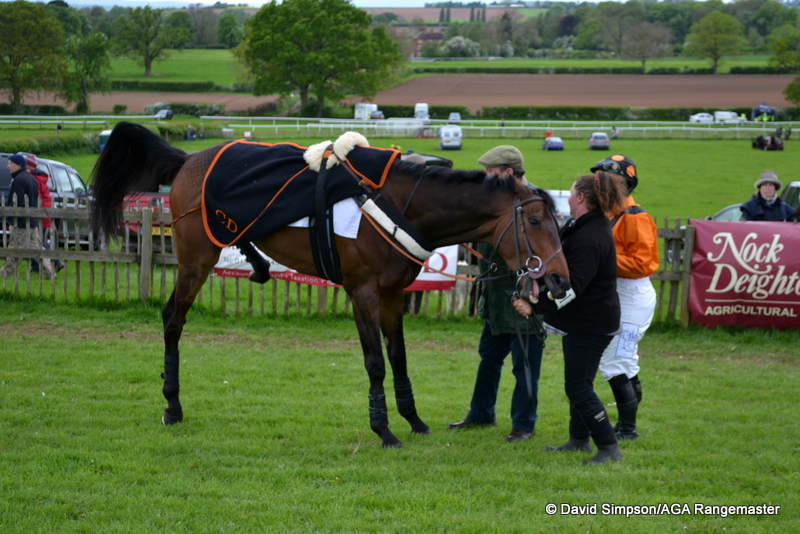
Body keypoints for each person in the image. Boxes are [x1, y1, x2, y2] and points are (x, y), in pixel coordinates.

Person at [512, 170, 628, 464]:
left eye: (572, 192)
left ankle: (609, 447)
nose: (569, 197)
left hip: (592, 324)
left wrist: (534, 308)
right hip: (587, 321)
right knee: (581, 383)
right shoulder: (583, 225)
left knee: (577, 387)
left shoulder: (591, 235)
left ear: (580, 197)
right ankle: (578, 441)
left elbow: (571, 288)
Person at [448, 146, 544, 443]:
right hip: (495, 300)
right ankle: (481, 413)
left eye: (491, 172)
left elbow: (546, 252)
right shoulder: (492, 202)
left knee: (524, 366)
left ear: (509, 173)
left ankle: (524, 425)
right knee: (488, 358)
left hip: (526, 300)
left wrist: (531, 293)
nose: (485, 177)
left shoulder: (535, 204)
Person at [590, 155, 658, 441]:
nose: (600, 183)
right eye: (598, 177)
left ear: (626, 185)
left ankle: (627, 430)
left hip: (632, 296)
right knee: (625, 362)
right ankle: (625, 426)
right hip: (616, 294)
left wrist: (602, 258)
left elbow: (642, 264)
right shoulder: (606, 213)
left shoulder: (635, 216)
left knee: (615, 361)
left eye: (608, 179)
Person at [0, 154, 54, 279]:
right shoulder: (31, 178)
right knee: (36, 248)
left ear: (18, 165)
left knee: (15, 248)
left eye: (10, 163)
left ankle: (5, 274)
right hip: (33, 221)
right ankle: (49, 272)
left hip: (21, 222)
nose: (8, 166)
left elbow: (18, 203)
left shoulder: (19, 180)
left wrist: (10, 216)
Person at [24, 154, 64, 275]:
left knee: (36, 242)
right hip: (44, 215)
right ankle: (37, 266)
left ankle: (55, 261)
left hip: (39, 216)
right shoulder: (40, 179)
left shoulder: (34, 180)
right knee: (37, 241)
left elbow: (34, 198)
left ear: (29, 168)